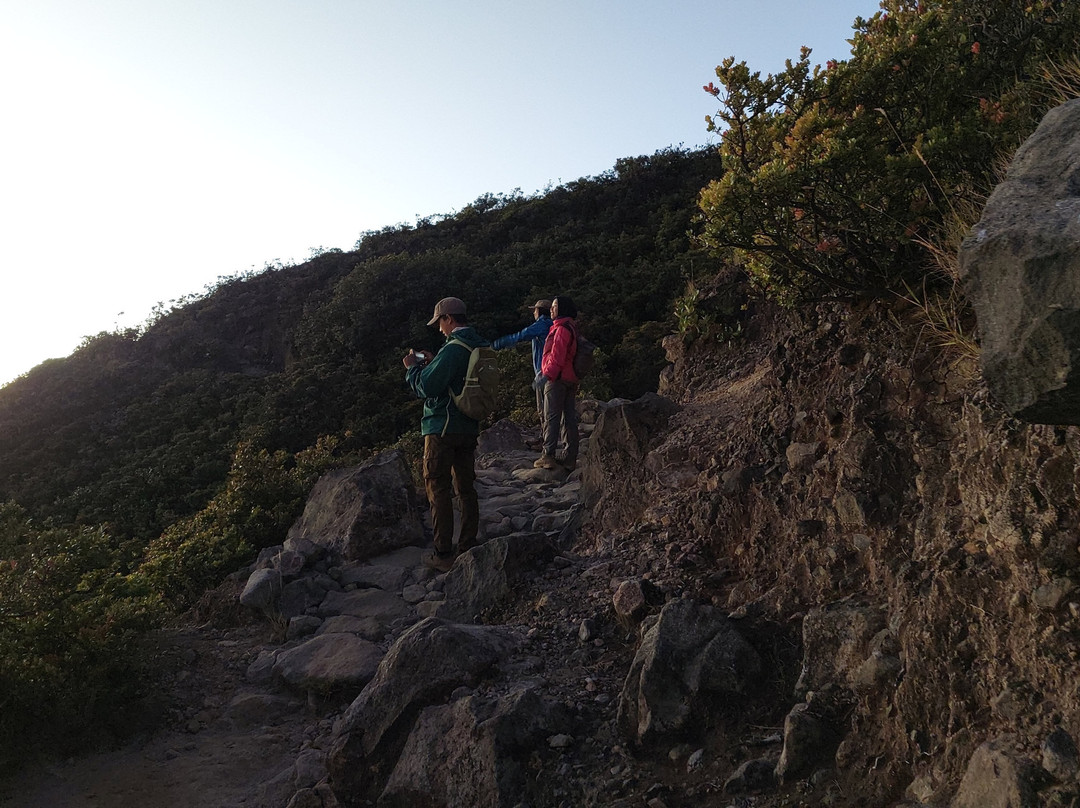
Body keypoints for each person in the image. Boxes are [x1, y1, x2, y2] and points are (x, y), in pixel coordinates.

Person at [403, 296, 489, 572]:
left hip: (443, 426)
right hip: (468, 425)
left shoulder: (453, 349)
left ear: (449, 319)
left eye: (440, 322)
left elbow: (427, 387)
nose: (439, 329)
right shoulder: (478, 343)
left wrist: (413, 368)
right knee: (465, 486)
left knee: (437, 484)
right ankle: (468, 542)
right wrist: (433, 360)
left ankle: (443, 552)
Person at [534, 295, 580, 471]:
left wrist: (546, 376)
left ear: (562, 309)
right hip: (569, 378)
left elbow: (557, 356)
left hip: (557, 379)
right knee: (568, 418)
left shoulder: (561, 329)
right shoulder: (571, 327)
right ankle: (570, 457)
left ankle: (548, 455)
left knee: (551, 417)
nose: (551, 309)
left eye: (554, 306)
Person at [491, 298, 552, 424]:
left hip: (543, 372)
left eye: (535, 310)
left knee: (545, 411)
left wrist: (498, 344)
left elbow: (521, 335)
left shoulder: (541, 325)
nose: (533, 313)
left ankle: (549, 440)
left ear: (540, 311)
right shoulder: (554, 325)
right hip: (557, 370)